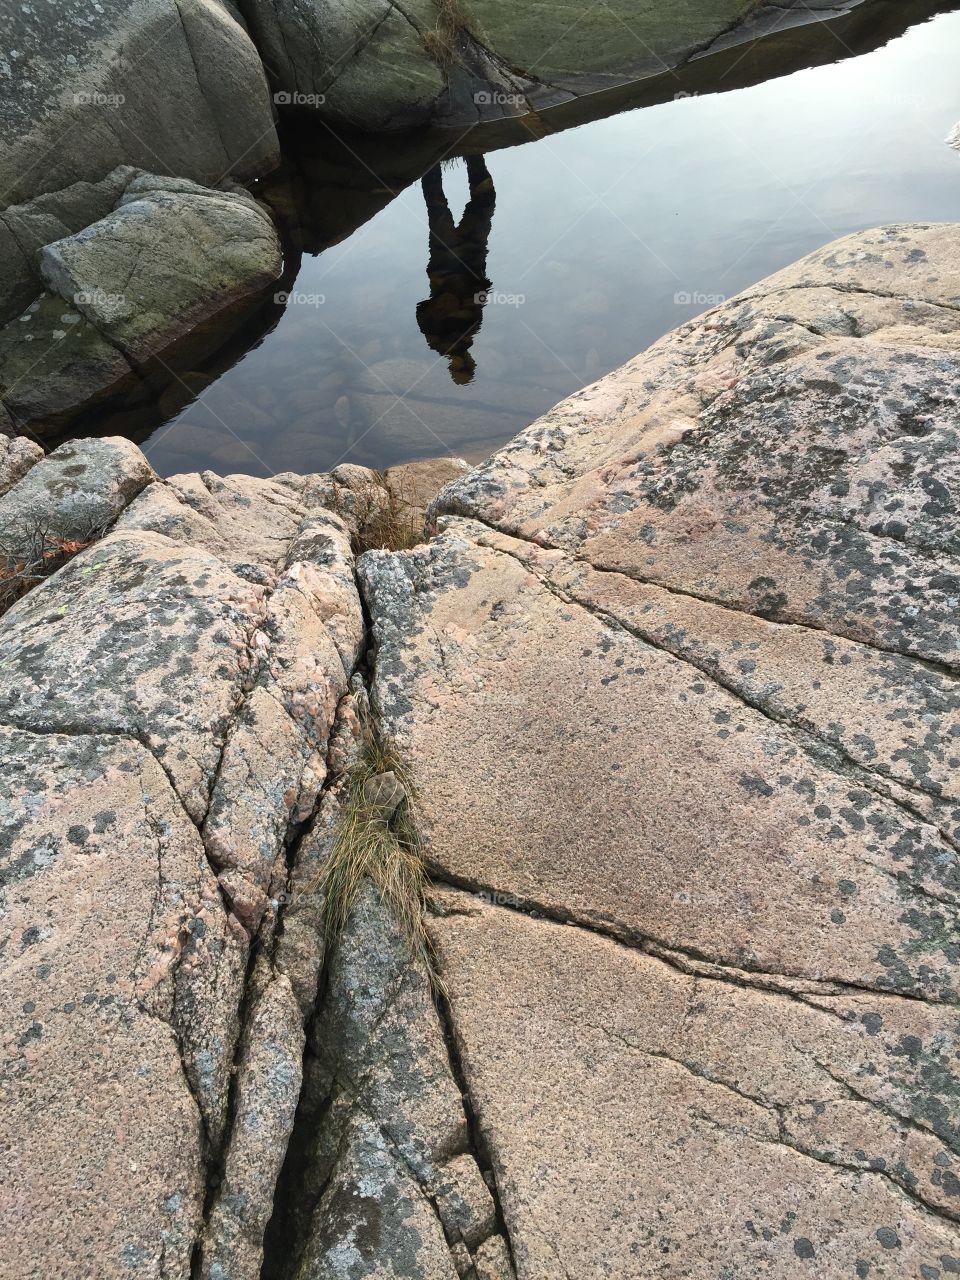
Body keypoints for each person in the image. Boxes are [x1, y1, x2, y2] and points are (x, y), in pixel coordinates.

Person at [416, 155, 496, 385]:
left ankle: (431, 161)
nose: (468, 363)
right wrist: (477, 296)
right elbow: (480, 296)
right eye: (470, 366)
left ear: (453, 368)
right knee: (485, 202)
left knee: (437, 207)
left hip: (445, 262)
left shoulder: (437, 342)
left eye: (462, 368)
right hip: (474, 255)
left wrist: (453, 303)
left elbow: (421, 310)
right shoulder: (472, 332)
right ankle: (473, 153)